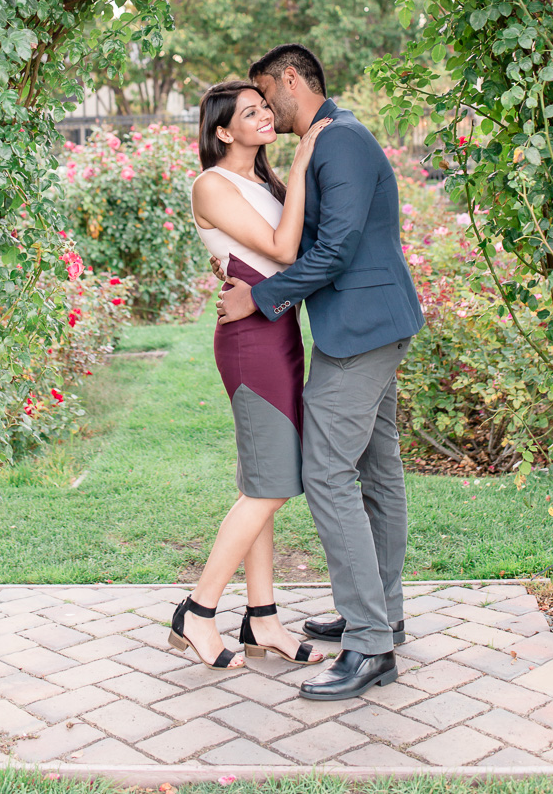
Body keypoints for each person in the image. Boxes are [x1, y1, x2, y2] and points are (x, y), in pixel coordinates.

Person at [217, 44, 425, 700]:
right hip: (370, 327)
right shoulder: (329, 141)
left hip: (359, 336)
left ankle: (370, 645)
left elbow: (333, 250)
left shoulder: (340, 142)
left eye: (264, 95)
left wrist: (261, 297)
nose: (265, 109)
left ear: (290, 81)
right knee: (377, 474)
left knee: (327, 473)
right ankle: (380, 614)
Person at [168, 78, 330, 671]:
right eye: (250, 112)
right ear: (222, 131)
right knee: (273, 485)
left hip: (277, 330)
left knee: (259, 484)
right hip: (249, 343)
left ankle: (262, 619)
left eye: (265, 108)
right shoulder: (211, 184)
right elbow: (284, 252)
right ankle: (198, 611)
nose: (265, 117)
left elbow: (289, 251)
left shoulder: (262, 181)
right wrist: (308, 151)